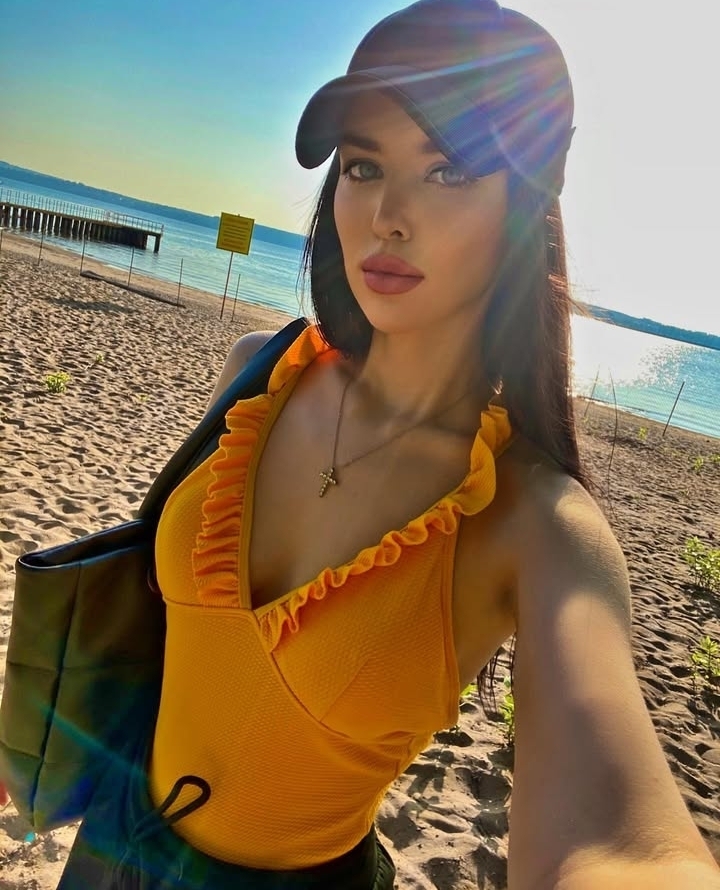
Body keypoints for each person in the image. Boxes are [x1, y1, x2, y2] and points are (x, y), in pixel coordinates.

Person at [52, 0, 720, 887]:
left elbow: (619, 838)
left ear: (526, 206)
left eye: (449, 171)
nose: (387, 215)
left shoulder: (536, 522)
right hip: (111, 837)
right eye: (363, 165)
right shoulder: (258, 375)